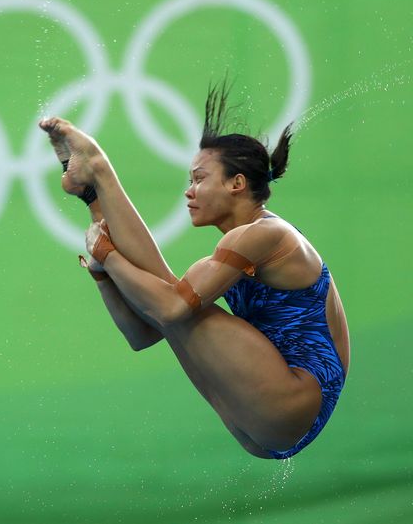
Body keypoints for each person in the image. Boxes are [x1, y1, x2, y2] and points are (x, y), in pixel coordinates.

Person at [38, 81, 350, 459]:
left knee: (175, 300)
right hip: (264, 422)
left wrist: (111, 254)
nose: (188, 191)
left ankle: (99, 173)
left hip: (297, 396)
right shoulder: (233, 248)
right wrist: (105, 272)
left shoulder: (265, 235)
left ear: (237, 184)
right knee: (169, 303)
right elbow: (144, 332)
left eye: (199, 179)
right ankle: (93, 188)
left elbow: (170, 308)